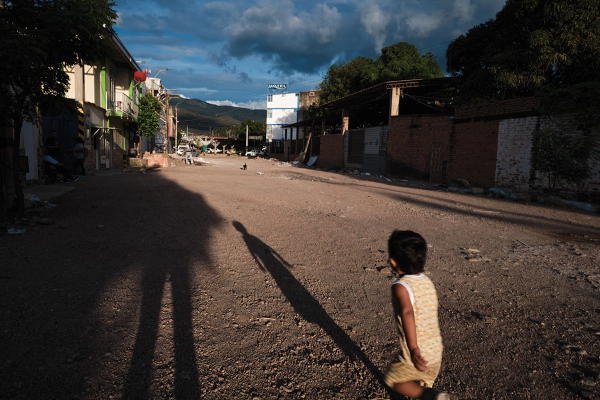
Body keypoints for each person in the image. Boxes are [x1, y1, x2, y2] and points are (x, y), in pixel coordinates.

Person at [384, 230, 455, 400]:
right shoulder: (427, 282)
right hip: (436, 349)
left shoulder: (400, 286)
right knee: (423, 381)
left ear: (393, 262)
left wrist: (414, 349)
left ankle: (435, 396)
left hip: (418, 350)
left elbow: (408, 312)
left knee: (393, 379)